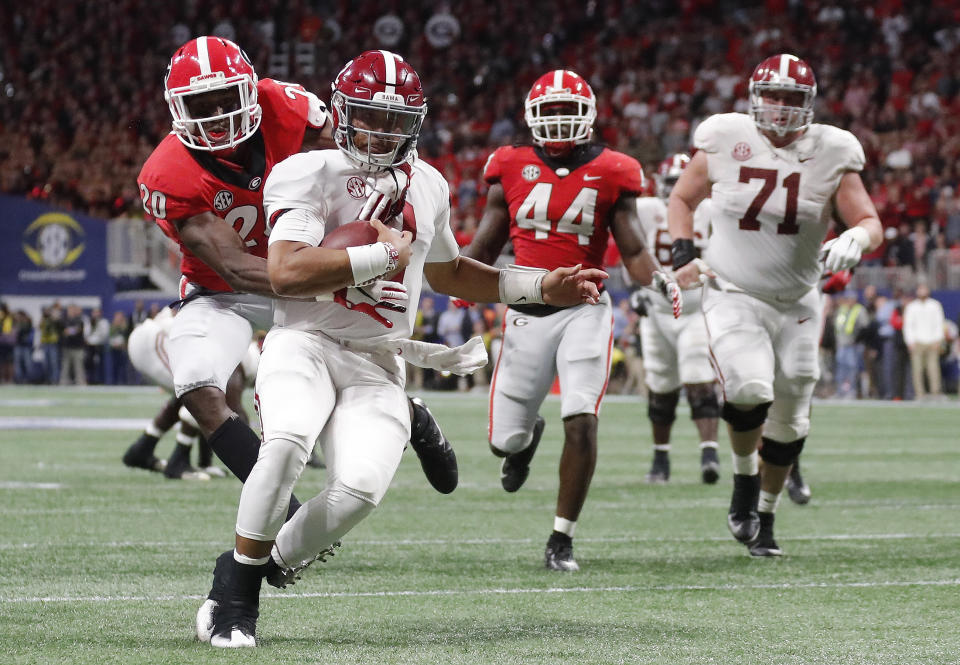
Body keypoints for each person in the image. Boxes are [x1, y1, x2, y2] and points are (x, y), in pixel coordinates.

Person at [203, 50, 610, 648]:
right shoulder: (305, 171)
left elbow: (448, 274)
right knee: (286, 444)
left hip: (379, 358)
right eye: (369, 116)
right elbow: (286, 273)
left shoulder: (429, 182)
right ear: (342, 113)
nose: (382, 132)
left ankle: (246, 569)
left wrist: (537, 285)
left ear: (416, 122)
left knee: (360, 491)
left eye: (396, 121)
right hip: (305, 341)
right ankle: (236, 603)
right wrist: (380, 256)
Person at [136, 37, 456, 497]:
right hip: (228, 292)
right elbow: (237, 270)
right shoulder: (168, 173)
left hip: (311, 264)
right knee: (197, 385)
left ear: (250, 91)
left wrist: (396, 175)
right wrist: (342, 277)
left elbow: (358, 148)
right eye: (202, 104)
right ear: (175, 109)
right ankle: (281, 514)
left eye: (227, 98)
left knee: (346, 371)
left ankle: (407, 414)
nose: (219, 115)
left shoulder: (282, 106)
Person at [463, 69, 679, 572]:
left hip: (585, 307)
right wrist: (459, 284)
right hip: (525, 313)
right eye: (550, 111)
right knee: (503, 443)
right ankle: (525, 441)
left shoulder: (614, 169)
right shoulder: (510, 164)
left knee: (581, 418)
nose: (559, 121)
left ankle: (562, 537)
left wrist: (660, 278)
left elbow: (632, 249)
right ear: (533, 117)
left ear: (587, 116)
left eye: (567, 110)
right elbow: (486, 246)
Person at [668, 54, 882, 557]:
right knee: (747, 387)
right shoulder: (724, 136)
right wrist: (682, 252)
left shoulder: (833, 148)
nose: (781, 108)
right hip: (734, 290)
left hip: (801, 299)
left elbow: (870, 219)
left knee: (792, 414)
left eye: (792, 99)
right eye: (774, 96)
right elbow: (682, 199)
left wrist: (858, 237)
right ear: (754, 97)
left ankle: (765, 514)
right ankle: (744, 481)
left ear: (809, 104)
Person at [634, 153, 720, 484]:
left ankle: (709, 454)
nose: (676, 190)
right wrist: (638, 290)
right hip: (657, 308)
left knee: (700, 379)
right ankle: (661, 459)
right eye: (671, 183)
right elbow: (631, 247)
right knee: (660, 387)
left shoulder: (710, 210)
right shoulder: (645, 210)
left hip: (697, 306)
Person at [903, 282, 945, 399]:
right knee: (917, 370)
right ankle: (920, 394)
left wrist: (938, 340)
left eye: (924, 289)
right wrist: (910, 341)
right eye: (920, 289)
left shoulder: (935, 305)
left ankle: (935, 392)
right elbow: (908, 326)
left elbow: (939, 323)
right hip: (917, 342)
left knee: (933, 369)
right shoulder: (911, 307)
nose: (922, 292)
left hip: (932, 341)